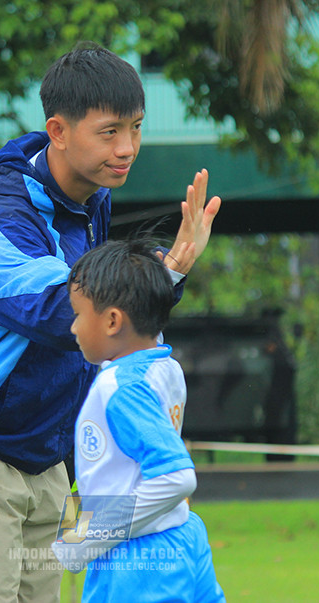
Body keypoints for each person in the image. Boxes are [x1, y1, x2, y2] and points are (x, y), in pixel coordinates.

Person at [0, 42, 221, 602]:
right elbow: (68, 315)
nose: (127, 149)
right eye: (109, 132)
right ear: (58, 130)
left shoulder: (92, 198)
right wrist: (168, 268)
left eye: (136, 128)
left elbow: (105, 328)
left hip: (47, 462)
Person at [51, 238, 226, 602]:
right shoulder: (161, 365)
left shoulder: (120, 387)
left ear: (113, 320)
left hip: (139, 560)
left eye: (78, 314)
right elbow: (111, 473)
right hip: (181, 534)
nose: (73, 328)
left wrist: (85, 538)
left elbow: (175, 477)